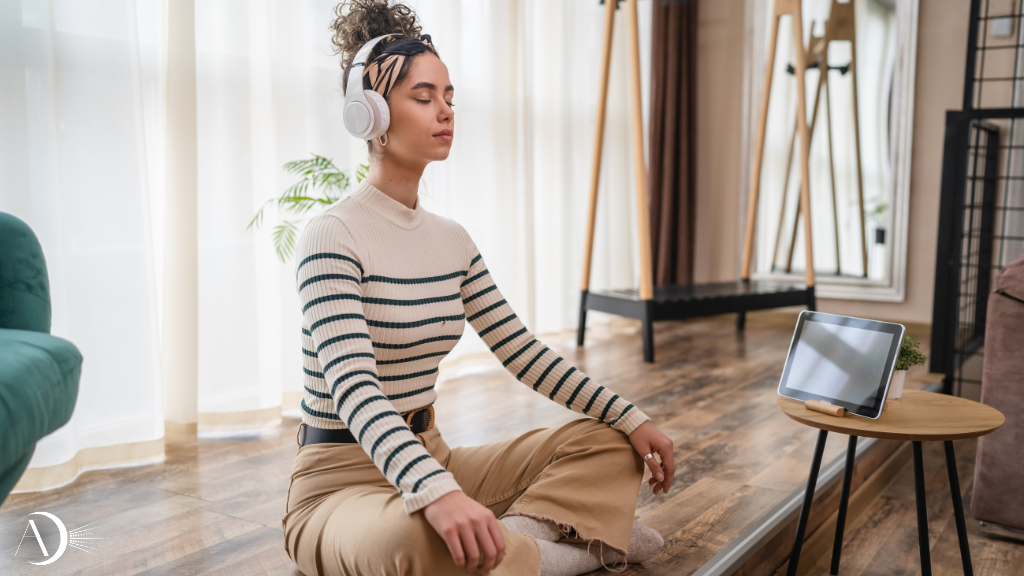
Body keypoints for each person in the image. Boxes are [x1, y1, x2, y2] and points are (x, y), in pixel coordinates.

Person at [281, 2, 675, 575]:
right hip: (338, 484)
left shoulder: (452, 240)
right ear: (368, 114)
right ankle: (575, 548)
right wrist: (433, 493)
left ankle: (511, 548)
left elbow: (524, 353)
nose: (444, 111)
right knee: (419, 544)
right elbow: (354, 388)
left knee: (610, 444)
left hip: (432, 453)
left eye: (449, 97)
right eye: (424, 97)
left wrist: (632, 417)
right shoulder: (331, 235)